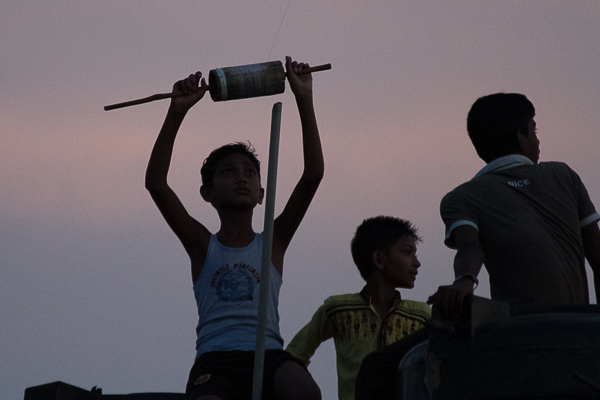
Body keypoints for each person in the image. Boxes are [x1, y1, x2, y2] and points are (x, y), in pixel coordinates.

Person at [145, 56, 324, 400]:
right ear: (207, 193)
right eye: (228, 171)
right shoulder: (202, 245)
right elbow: (156, 183)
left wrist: (304, 98)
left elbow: (313, 174)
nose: (241, 177)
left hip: (269, 355)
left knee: (304, 392)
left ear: (261, 193)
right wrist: (176, 111)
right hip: (216, 359)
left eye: (250, 172)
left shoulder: (273, 242)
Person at [428, 92, 600, 319]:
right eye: (534, 131)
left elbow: (469, 247)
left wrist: (464, 281)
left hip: (517, 337)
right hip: (575, 332)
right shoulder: (563, 176)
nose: (538, 140)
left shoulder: (461, 198)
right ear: (521, 136)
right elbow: (597, 256)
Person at [285, 216, 431, 400]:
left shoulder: (422, 315)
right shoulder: (339, 309)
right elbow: (294, 355)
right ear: (379, 259)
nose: (417, 262)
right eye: (407, 252)